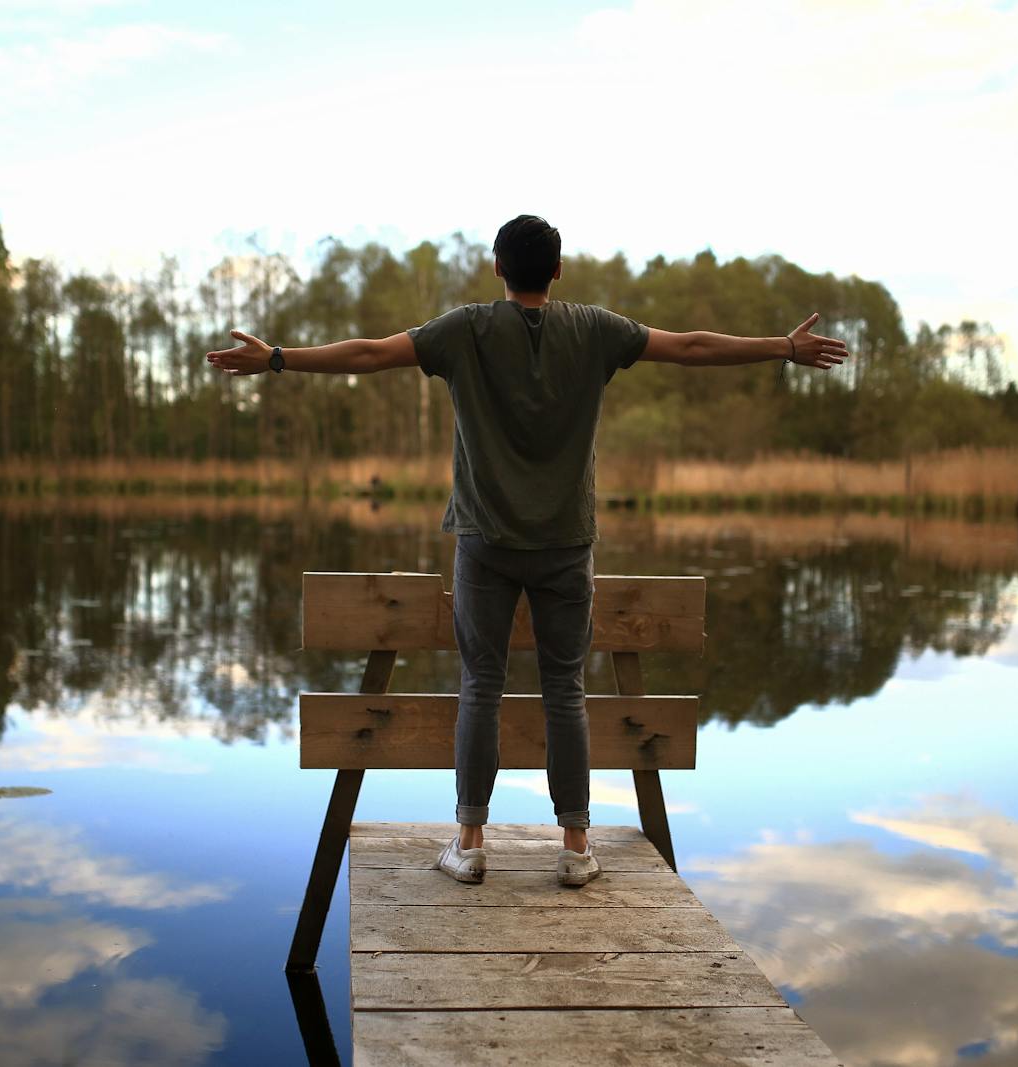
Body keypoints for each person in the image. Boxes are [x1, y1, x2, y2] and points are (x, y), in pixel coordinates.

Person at [206, 215, 848, 887]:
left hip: (485, 542)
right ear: (559, 270)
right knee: (564, 689)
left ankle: (471, 841)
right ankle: (575, 848)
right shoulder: (596, 329)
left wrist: (277, 358)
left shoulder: (465, 330)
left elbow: (368, 355)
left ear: (496, 269)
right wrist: (782, 346)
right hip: (566, 545)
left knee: (480, 685)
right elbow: (689, 345)